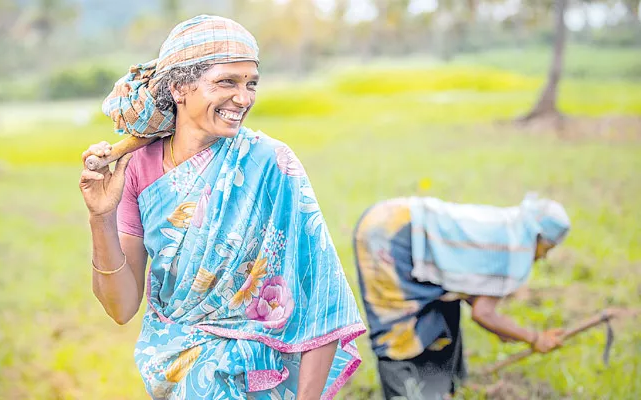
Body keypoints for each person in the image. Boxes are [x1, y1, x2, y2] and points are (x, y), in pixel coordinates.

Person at [79, 15, 365, 400]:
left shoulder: (271, 164)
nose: (244, 98)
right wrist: (101, 218)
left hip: (260, 373)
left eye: (251, 84)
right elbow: (121, 307)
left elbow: (319, 297)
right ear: (180, 87)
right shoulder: (138, 169)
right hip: (176, 368)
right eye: (226, 82)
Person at [353, 194, 570, 400]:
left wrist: (506, 331)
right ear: (538, 237)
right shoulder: (517, 250)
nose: (543, 256)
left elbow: (468, 289)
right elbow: (483, 313)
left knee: (445, 303)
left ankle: (444, 385)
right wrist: (534, 338)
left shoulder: (509, 224)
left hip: (394, 216)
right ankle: (405, 392)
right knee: (395, 325)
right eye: (547, 248)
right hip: (388, 236)